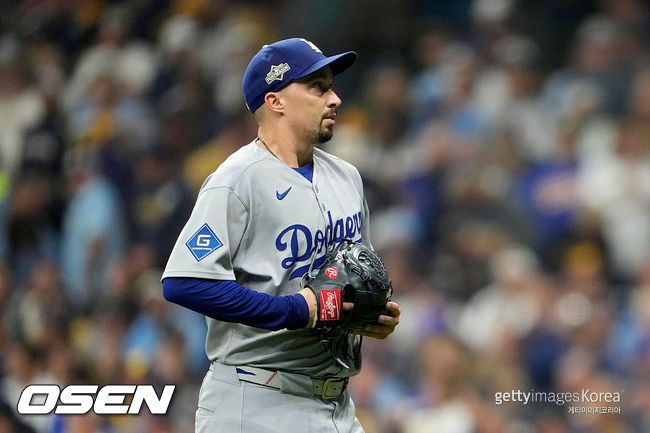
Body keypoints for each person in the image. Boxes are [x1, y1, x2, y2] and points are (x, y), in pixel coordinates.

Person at [162, 37, 401, 433]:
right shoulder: (236, 181)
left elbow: (354, 273)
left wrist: (369, 313)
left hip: (336, 404)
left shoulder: (346, 177)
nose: (335, 99)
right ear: (275, 101)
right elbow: (184, 282)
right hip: (256, 400)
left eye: (331, 87)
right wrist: (293, 310)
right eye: (318, 88)